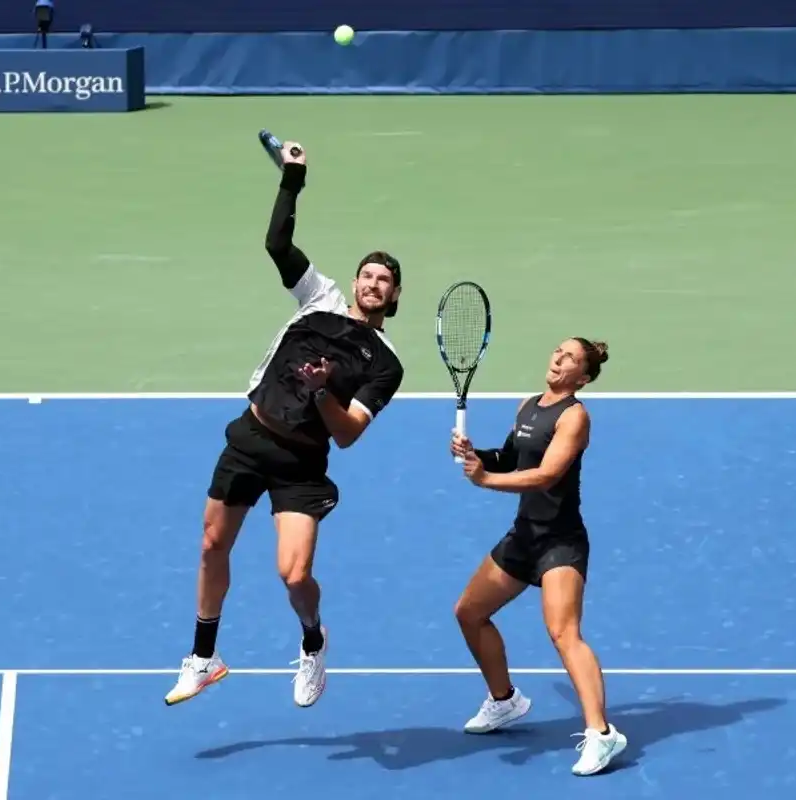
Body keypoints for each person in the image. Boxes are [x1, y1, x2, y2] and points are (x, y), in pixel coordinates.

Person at [165, 141, 405, 709]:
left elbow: (346, 434)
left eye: (384, 280)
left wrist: (324, 390)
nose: (373, 283)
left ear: (395, 296)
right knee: (211, 544)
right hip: (251, 437)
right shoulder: (318, 296)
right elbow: (276, 242)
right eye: (367, 275)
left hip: (301, 462)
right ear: (355, 282)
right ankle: (204, 658)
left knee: (295, 577)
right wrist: (293, 176)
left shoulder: (386, 364)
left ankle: (314, 641)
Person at [448, 337, 626, 776]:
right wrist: (478, 455)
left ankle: (602, 734)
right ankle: (505, 701)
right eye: (557, 352)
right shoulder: (528, 404)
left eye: (570, 359)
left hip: (559, 542)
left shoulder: (576, 417)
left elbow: (547, 475)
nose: (558, 359)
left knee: (564, 633)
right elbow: (512, 457)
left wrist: (484, 479)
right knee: (469, 613)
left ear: (582, 377)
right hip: (523, 536)